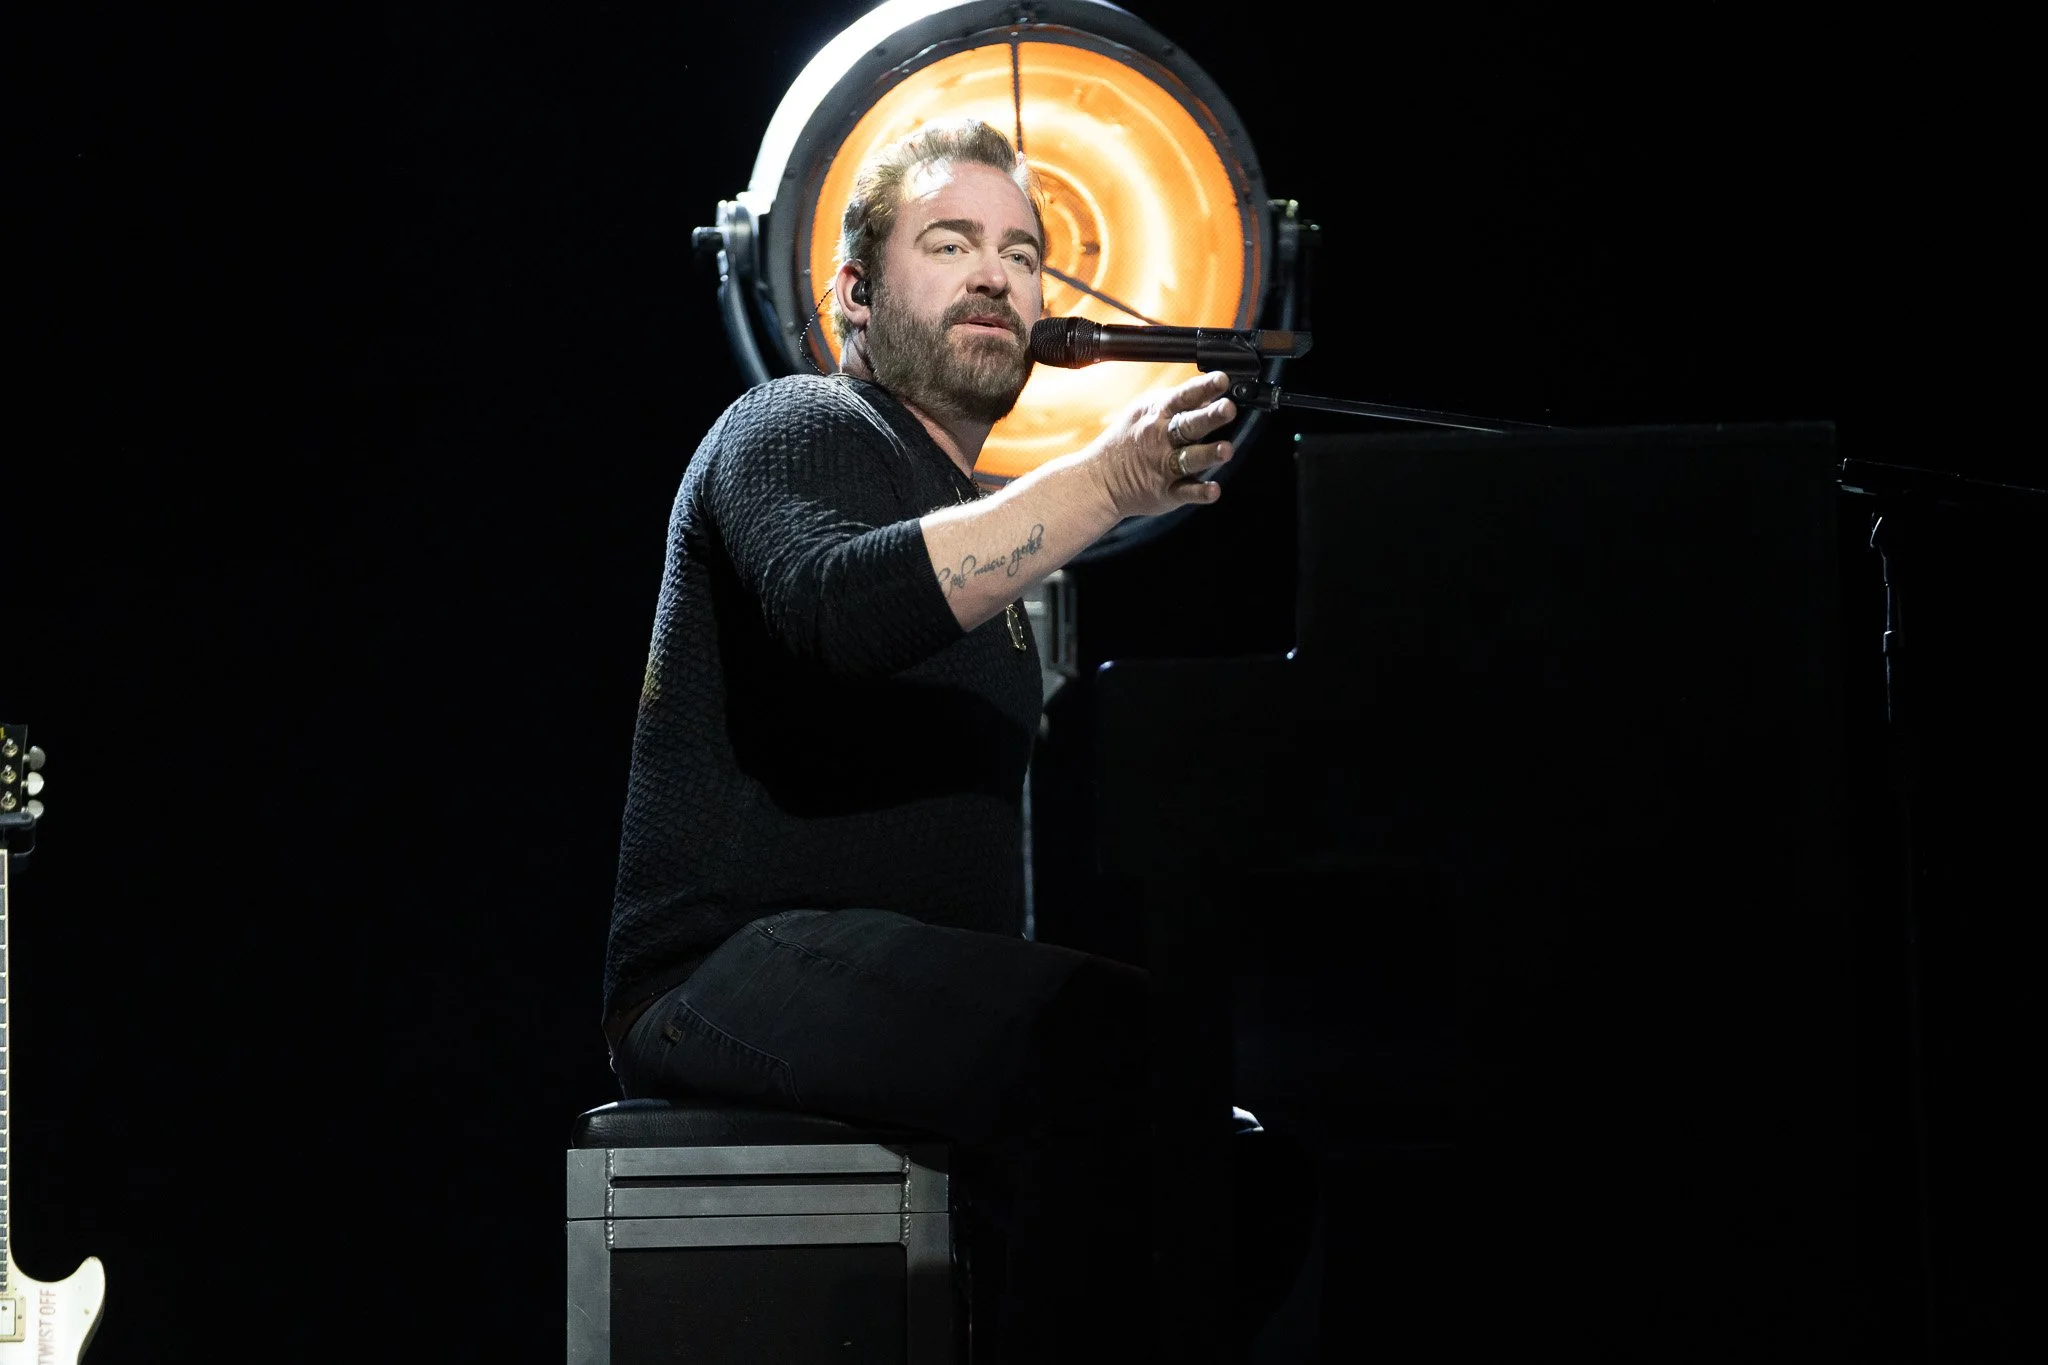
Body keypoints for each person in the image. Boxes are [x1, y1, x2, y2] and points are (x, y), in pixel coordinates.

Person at [601, 117, 1300, 1361]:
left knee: (1239, 1148)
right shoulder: (794, 423)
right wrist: (1105, 483)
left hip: (883, 996)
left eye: (1022, 254)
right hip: (717, 978)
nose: (995, 274)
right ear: (855, 295)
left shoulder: (974, 538)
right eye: (949, 243)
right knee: (1110, 1040)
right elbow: (837, 608)